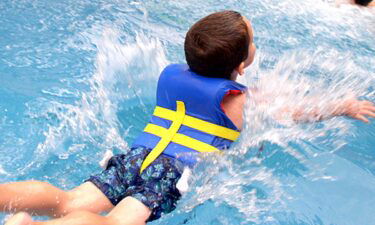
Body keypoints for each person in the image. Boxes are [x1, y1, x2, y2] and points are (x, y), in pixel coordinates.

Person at [1, 10, 375, 225]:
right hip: (169, 170)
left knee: (70, 201)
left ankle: (10, 205)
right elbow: (292, 113)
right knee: (115, 223)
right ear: (241, 64)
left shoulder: (173, 74)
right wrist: (341, 106)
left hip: (136, 156)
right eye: (252, 42)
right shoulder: (236, 99)